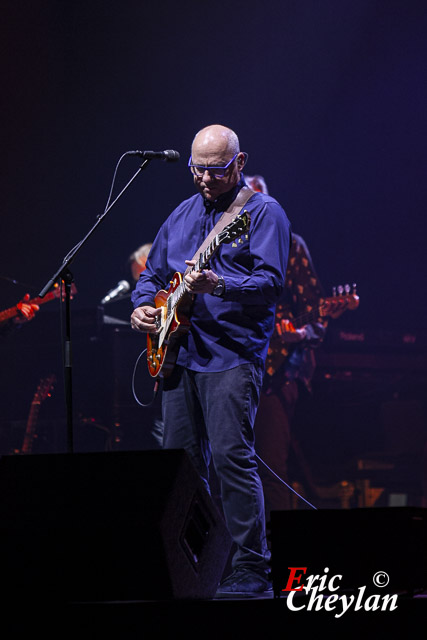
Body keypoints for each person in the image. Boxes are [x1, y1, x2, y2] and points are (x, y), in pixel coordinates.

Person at [131, 124, 291, 596]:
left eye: (216, 170)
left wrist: (219, 284)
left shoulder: (262, 214)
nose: (204, 178)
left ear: (239, 164)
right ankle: (193, 564)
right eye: (197, 169)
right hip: (180, 353)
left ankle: (250, 567)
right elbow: (152, 276)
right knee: (180, 466)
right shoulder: (181, 214)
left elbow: (271, 284)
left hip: (231, 355)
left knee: (230, 458)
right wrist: (142, 307)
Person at [245, 175, 327, 521]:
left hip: (277, 372)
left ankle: (279, 555)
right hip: (235, 364)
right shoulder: (227, 245)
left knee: (272, 465)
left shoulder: (292, 246)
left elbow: (316, 316)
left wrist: (298, 333)